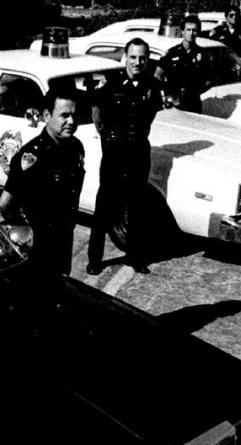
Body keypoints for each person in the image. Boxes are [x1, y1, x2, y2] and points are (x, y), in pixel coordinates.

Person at [86, 38, 162, 276]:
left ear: (147, 59)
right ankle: (94, 259)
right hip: (114, 154)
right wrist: (108, 140)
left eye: (142, 58)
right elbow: (97, 114)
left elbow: (151, 116)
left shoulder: (152, 86)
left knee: (137, 207)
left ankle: (136, 257)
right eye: (132, 57)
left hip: (139, 152)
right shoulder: (113, 83)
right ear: (125, 58)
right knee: (104, 206)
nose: (137, 62)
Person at [0, 85, 85, 279]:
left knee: (61, 283)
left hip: (64, 235)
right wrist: (25, 232)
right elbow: (5, 204)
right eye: (64, 115)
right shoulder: (32, 157)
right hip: (38, 241)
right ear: (47, 116)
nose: (71, 121)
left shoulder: (75, 148)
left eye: (74, 115)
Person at [155, 15, 208, 113]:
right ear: (182, 31)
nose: (191, 33)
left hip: (193, 102)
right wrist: (168, 93)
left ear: (198, 32)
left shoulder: (203, 54)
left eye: (194, 30)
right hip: (173, 103)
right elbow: (158, 75)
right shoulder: (172, 53)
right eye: (188, 30)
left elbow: (207, 79)